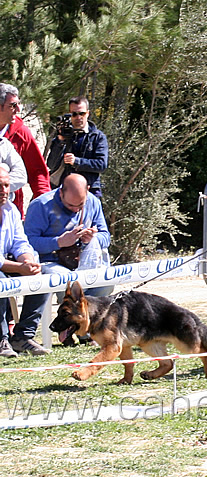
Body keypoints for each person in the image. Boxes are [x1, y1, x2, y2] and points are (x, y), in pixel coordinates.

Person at [11, 174, 112, 354]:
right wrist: (58, 242)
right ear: (60, 192)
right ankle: (63, 329)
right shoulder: (41, 205)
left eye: (80, 206)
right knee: (61, 281)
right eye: (70, 205)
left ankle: (87, 331)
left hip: (84, 259)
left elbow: (106, 236)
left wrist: (93, 237)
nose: (75, 210)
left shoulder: (93, 203)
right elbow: (27, 242)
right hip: (52, 260)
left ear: (87, 192)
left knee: (105, 284)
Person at [0, 169, 41, 357]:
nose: (4, 190)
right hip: (2, 268)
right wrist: (20, 268)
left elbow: (20, 243)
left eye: (6, 185)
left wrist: (29, 262)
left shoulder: (11, 210)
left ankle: (22, 336)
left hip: (8, 263)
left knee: (42, 278)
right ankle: (1, 339)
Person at [0, 83, 50, 217]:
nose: (18, 110)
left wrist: (44, 205)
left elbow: (37, 171)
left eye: (18, 104)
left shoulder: (21, 133)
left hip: (11, 212)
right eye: (12, 106)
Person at [46, 96, 108, 197]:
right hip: (61, 189)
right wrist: (60, 141)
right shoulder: (63, 134)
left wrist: (76, 161)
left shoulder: (97, 137)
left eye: (82, 113)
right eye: (74, 114)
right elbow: (51, 164)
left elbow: (101, 164)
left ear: (88, 113)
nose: (78, 117)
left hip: (88, 189)